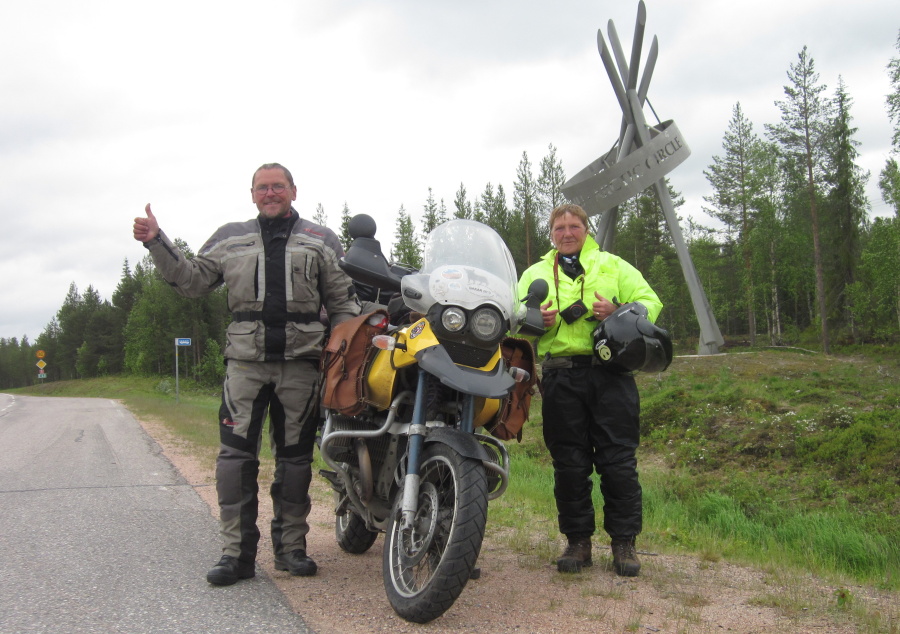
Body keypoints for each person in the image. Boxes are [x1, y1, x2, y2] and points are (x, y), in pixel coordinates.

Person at [133, 163, 361, 586]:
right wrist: (156, 243)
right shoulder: (229, 237)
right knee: (234, 461)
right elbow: (192, 282)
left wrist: (343, 357)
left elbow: (344, 303)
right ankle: (235, 556)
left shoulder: (321, 240)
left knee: (294, 463)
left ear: (293, 190)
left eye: (278, 186)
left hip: (301, 367)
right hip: (244, 368)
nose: (270, 193)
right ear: (252, 194)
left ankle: (291, 549)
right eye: (262, 188)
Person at [517, 203, 662, 577]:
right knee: (569, 464)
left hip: (611, 374)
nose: (567, 232)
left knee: (618, 462)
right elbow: (511, 318)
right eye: (560, 227)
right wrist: (535, 319)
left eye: (574, 226)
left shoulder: (613, 266)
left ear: (587, 228)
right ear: (551, 233)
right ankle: (577, 542)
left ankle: (624, 543)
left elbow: (651, 303)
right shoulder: (534, 273)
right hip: (561, 376)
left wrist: (619, 310)